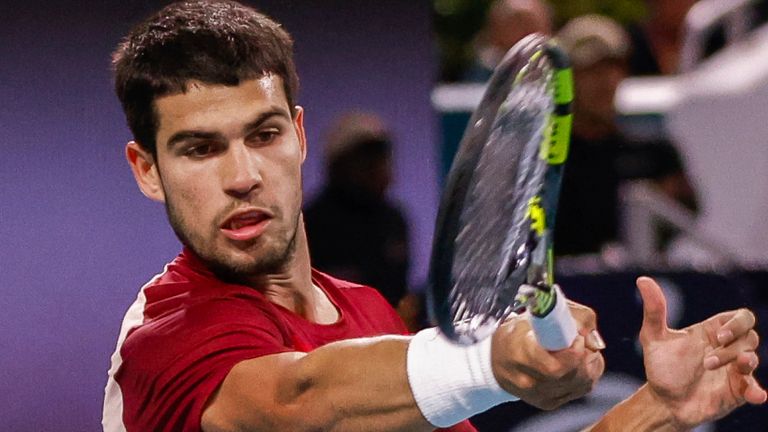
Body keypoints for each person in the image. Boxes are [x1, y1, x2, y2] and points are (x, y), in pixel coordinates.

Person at [102, 2, 764, 431]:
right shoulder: (162, 340)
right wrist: (490, 364)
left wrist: (658, 410)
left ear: (299, 137)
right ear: (146, 170)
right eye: (199, 149)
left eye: (264, 134)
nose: (242, 175)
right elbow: (296, 401)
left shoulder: (369, 316)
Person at [553, 14, 699, 257]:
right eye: (590, 70)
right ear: (565, 80)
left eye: (614, 67)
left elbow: (685, 220)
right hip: (564, 290)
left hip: (637, 286)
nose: (605, 81)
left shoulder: (655, 154)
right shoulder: (546, 162)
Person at [303, 111, 415, 322]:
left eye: (381, 156)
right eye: (365, 158)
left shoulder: (395, 219)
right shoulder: (311, 223)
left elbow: (399, 290)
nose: (378, 167)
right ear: (337, 166)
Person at [463, 0, 552, 82]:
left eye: (531, 23)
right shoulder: (480, 75)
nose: (525, 33)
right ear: (495, 31)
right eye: (518, 23)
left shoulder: (558, 69)